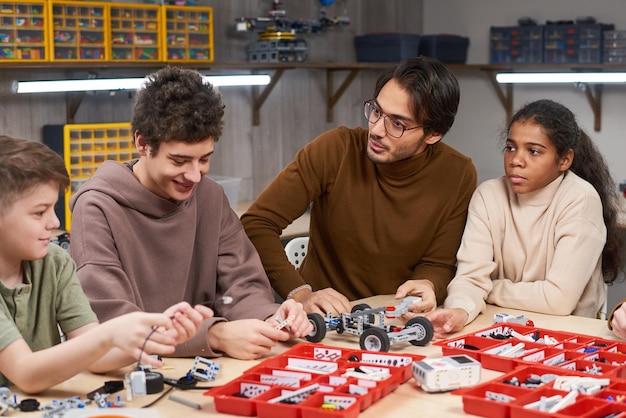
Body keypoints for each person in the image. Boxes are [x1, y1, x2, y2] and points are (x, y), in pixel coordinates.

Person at [69, 66, 311, 361]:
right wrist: (211, 335)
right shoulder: (96, 207)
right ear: (143, 144)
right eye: (179, 160)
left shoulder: (210, 196)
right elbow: (111, 324)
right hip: (134, 372)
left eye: (205, 159)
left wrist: (270, 318)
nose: (195, 176)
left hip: (204, 366)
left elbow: (242, 284)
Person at [241, 56, 478, 316]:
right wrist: (300, 293)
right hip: (324, 319)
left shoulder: (458, 173)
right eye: (376, 111)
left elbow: (440, 263)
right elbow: (257, 223)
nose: (376, 130)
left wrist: (427, 283)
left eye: (397, 124)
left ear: (433, 134)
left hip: (396, 317)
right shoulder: (335, 149)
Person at [0, 135, 211, 394]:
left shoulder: (54, 263)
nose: (54, 223)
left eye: (53, 209)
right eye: (38, 212)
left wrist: (158, 334)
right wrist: (109, 333)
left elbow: (98, 357)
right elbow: (26, 373)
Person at [427, 99, 623, 338]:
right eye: (511, 147)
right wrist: (460, 309)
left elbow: (558, 301)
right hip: (496, 327)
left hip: (568, 334)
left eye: (533, 151)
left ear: (565, 160)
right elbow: (468, 279)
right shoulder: (488, 195)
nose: (516, 160)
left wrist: (488, 288)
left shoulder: (580, 199)